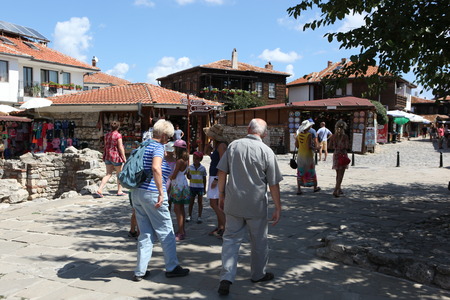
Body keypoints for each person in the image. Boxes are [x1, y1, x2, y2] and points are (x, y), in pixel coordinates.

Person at [216, 118, 283, 296]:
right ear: (265, 133)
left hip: (234, 202)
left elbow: (221, 172)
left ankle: (226, 277)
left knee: (230, 241)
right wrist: (278, 207)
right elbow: (274, 184)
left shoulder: (233, 146)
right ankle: (257, 274)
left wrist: (221, 194)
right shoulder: (266, 151)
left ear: (248, 129)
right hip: (256, 205)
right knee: (259, 241)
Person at [130, 119, 189, 281]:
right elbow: (156, 167)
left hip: (137, 193)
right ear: (163, 135)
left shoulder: (143, 145)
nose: (168, 140)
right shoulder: (157, 147)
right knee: (166, 231)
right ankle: (172, 266)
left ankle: (140, 271)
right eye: (168, 137)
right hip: (152, 192)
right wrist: (161, 192)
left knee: (146, 233)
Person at [203, 124, 228, 238]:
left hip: (217, 177)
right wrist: (208, 149)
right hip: (214, 175)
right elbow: (211, 157)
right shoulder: (217, 146)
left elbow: (223, 163)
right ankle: (220, 227)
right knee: (217, 203)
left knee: (215, 204)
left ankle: (226, 227)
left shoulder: (221, 146)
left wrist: (218, 179)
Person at [97, 121, 126, 198]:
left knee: (108, 174)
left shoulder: (107, 135)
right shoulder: (118, 135)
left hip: (108, 156)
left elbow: (106, 145)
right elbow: (120, 147)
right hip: (116, 156)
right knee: (119, 174)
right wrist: (124, 157)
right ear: (118, 127)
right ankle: (119, 191)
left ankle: (100, 189)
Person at [169, 139, 190, 241]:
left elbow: (174, 175)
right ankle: (182, 230)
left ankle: (180, 232)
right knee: (181, 208)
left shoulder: (179, 161)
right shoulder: (186, 160)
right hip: (183, 184)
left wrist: (168, 177)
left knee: (177, 209)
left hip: (177, 185)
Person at [295, 119, 321, 195]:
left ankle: (299, 189)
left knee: (300, 171)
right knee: (311, 170)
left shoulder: (299, 135)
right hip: (308, 155)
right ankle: (315, 187)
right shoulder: (308, 135)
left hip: (300, 155)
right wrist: (316, 148)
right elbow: (308, 146)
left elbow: (297, 145)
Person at [328, 120, 350, 197]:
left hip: (336, 154)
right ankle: (336, 190)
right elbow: (347, 146)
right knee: (341, 174)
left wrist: (335, 146)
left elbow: (329, 146)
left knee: (338, 173)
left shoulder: (333, 136)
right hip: (343, 154)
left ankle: (339, 188)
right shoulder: (345, 137)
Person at [187, 151, 207, 224]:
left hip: (200, 187)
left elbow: (204, 178)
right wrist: (188, 175)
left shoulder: (203, 168)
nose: (195, 160)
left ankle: (199, 216)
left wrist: (204, 188)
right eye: (194, 158)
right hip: (192, 186)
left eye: (197, 159)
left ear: (200, 159)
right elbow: (188, 177)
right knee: (191, 202)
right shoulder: (190, 167)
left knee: (200, 202)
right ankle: (189, 215)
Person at [164, 141, 176, 211]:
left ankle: (168, 211)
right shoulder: (164, 159)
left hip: (172, 180)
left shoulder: (175, 160)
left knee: (170, 198)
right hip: (165, 179)